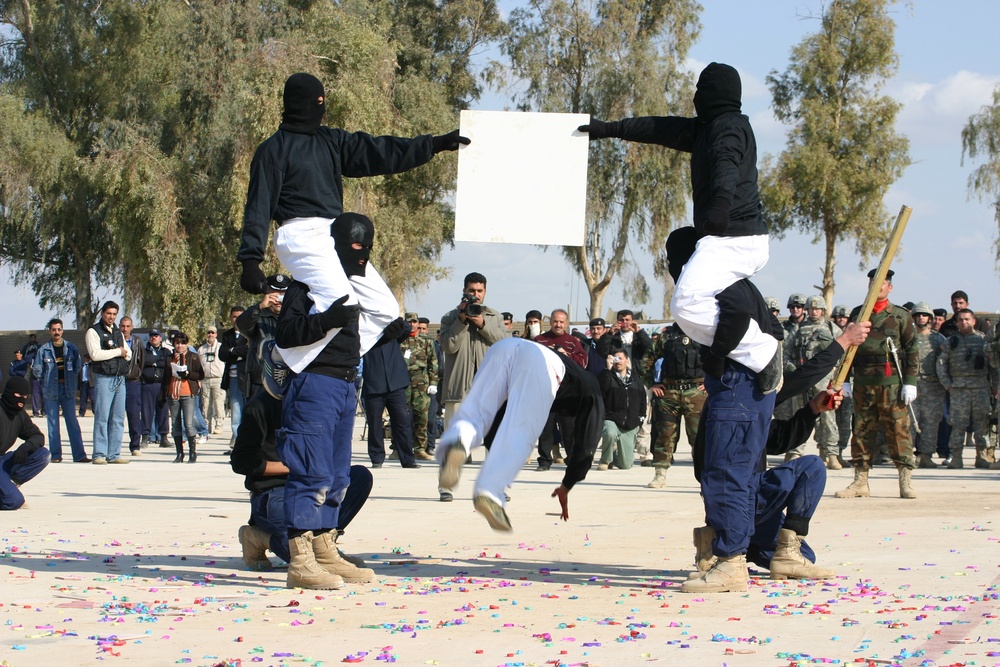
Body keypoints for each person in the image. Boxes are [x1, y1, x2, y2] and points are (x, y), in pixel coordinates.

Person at [237, 72, 467, 370]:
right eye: (319, 101)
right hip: (299, 234)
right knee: (341, 305)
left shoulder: (331, 140)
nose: (322, 106)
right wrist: (250, 261)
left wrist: (433, 145)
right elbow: (258, 206)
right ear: (309, 103)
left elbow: (379, 151)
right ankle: (283, 357)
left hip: (334, 235)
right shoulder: (273, 150)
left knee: (385, 309)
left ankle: (335, 360)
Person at [579, 62, 781, 393]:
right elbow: (659, 128)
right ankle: (732, 341)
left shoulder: (728, 128)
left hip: (735, 237)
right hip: (726, 237)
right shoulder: (706, 128)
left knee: (685, 304)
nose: (695, 97)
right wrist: (610, 129)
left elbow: (726, 166)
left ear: (715, 94)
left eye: (701, 91)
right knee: (680, 243)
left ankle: (760, 351)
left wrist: (720, 205)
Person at [272, 213, 397, 590]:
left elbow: (360, 336)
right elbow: (287, 334)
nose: (362, 254)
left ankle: (326, 549)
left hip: (345, 386)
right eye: (356, 245)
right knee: (310, 471)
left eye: (368, 248)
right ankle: (301, 559)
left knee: (338, 475)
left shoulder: (357, 290)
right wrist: (328, 319)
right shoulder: (306, 286)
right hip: (314, 386)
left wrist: (391, 332)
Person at [436, 337, 604, 532]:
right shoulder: (593, 391)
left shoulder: (577, 377)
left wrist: (492, 447)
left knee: (478, 410)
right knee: (521, 432)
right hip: (542, 363)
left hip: (503, 347)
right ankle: (489, 492)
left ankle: (459, 440)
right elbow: (586, 446)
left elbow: (497, 418)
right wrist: (568, 484)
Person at [229, 390, 373, 578]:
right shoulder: (260, 406)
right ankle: (257, 537)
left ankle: (326, 542)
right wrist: (294, 466)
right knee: (299, 554)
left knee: (359, 476)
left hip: (313, 486)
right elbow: (242, 461)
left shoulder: (317, 402)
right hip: (273, 492)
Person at [836, 269, 919, 500]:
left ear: (890, 287)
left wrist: (910, 383)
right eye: (873, 282)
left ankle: (905, 479)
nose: (877, 286)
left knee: (898, 431)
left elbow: (912, 350)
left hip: (891, 384)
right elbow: (847, 348)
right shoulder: (858, 313)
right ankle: (860, 481)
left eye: (881, 283)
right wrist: (843, 379)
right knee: (861, 431)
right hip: (863, 382)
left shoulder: (901, 315)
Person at [438, 272, 509, 499]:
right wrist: (461, 321)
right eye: (471, 291)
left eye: (479, 291)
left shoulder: (495, 317)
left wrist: (483, 324)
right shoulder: (450, 317)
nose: (475, 295)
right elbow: (448, 347)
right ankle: (446, 487)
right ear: (464, 291)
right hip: (459, 389)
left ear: (485, 292)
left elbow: (504, 344)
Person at [644, 322, 706, 488]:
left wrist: (710, 382)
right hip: (669, 392)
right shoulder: (667, 336)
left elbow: (718, 358)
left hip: (696, 392)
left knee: (699, 437)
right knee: (665, 434)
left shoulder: (704, 332)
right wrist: (652, 383)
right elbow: (647, 359)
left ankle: (705, 476)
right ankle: (660, 474)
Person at [782, 296, 842, 467]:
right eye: (811, 309)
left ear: (823, 310)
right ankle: (794, 451)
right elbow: (786, 351)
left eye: (817, 309)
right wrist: (791, 368)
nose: (814, 312)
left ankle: (830, 453)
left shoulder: (831, 328)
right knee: (799, 415)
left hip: (825, 381)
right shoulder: (798, 329)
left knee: (828, 418)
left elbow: (844, 352)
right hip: (803, 380)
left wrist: (838, 376)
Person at [938, 308, 997, 468]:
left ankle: (982, 456)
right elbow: (941, 364)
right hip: (958, 389)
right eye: (961, 320)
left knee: (982, 425)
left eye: (967, 319)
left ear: (973, 321)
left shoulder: (983, 340)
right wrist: (948, 385)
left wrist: (995, 388)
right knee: (958, 425)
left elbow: (993, 367)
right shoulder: (950, 342)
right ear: (957, 323)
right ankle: (956, 457)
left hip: (981, 388)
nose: (964, 322)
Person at [361, 318, 419, 469]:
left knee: (402, 422)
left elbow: (406, 329)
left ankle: (407, 458)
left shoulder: (392, 334)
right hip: (374, 384)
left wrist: (393, 318)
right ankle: (377, 458)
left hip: (396, 384)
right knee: (374, 423)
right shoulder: (365, 336)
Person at [534, 309, 587, 471]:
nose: (558, 325)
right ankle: (544, 460)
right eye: (555, 321)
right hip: (546, 390)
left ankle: (571, 458)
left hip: (567, 392)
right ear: (550, 322)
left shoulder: (572, 341)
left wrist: (567, 356)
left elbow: (583, 362)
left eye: (561, 322)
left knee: (569, 428)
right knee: (546, 428)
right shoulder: (539, 340)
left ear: (566, 324)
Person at [32, 318, 88, 463]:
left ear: (62, 330)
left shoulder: (71, 348)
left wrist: (69, 380)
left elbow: (77, 367)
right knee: (53, 424)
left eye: (59, 329)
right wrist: (47, 380)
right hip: (51, 392)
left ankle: (79, 455)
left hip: (68, 390)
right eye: (54, 330)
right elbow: (37, 369)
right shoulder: (43, 350)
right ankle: (56, 455)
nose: (56, 332)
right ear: (50, 331)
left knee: (72, 423)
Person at [84, 301, 131, 465]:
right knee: (102, 417)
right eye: (108, 313)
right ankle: (99, 453)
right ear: (102, 313)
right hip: (103, 378)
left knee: (118, 418)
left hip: (119, 378)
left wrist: (121, 353)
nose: (111, 317)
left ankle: (114, 454)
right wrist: (118, 352)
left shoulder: (118, 332)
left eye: (114, 314)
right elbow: (95, 355)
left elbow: (129, 354)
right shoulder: (93, 332)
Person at [237, 275, 290, 401]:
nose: (278, 298)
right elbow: (241, 326)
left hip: (288, 380)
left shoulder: (295, 317)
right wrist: (259, 307)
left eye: (283, 294)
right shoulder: (258, 315)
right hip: (260, 381)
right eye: (274, 293)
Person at [0, 377, 49, 510]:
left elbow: (37, 436)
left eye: (25, 396)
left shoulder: (19, 414)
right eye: (18, 395)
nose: (21, 400)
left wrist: (26, 447)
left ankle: (10, 484)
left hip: (2, 461)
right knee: (14, 501)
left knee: (43, 454)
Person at [909, 302, 947, 468]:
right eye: (918, 315)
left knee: (931, 422)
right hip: (912, 385)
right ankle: (907, 455)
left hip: (932, 387)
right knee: (909, 421)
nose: (921, 318)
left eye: (924, 315)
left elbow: (945, 362)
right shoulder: (908, 337)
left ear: (930, 318)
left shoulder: (938, 339)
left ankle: (926, 455)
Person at [597, 348, 646, 470]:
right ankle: (605, 460)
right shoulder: (607, 376)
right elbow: (600, 390)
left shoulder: (635, 379)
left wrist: (640, 418)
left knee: (626, 465)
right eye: (615, 359)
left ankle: (614, 458)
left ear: (627, 360)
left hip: (630, 423)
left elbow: (642, 400)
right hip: (611, 418)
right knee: (610, 433)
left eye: (620, 358)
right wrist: (607, 370)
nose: (617, 362)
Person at [400, 312, 439, 461]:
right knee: (400, 416)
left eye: (414, 322)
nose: (412, 324)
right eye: (409, 322)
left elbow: (433, 363)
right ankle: (398, 447)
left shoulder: (426, 341)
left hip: (421, 381)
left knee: (421, 417)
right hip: (402, 381)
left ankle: (419, 449)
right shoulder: (398, 339)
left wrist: (433, 382)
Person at [161, 333, 205, 463]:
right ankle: (179, 453)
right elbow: (166, 377)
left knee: (188, 423)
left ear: (186, 344)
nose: (180, 345)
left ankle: (193, 452)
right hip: (173, 393)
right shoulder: (169, 358)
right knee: (175, 424)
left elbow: (200, 374)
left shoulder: (193, 357)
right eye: (177, 343)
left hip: (188, 392)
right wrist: (162, 394)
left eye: (182, 343)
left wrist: (188, 374)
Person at [219, 307, 249, 451]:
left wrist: (233, 351)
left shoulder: (251, 332)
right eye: (234, 317)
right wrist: (237, 352)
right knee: (236, 412)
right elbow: (222, 355)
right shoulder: (227, 335)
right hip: (233, 378)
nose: (237, 319)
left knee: (249, 410)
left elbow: (249, 350)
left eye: (240, 316)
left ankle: (250, 444)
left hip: (248, 377)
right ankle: (238, 445)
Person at [120, 316, 145, 456]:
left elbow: (141, 361)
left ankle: (135, 445)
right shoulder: (116, 340)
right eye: (123, 326)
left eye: (128, 326)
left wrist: (136, 374)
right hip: (117, 381)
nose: (125, 329)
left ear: (132, 327)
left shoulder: (137, 342)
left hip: (133, 382)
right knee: (115, 416)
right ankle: (113, 445)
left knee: (134, 415)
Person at [198, 326, 226, 435]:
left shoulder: (221, 347)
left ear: (216, 334)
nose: (210, 335)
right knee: (205, 404)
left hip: (218, 379)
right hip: (205, 379)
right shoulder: (201, 349)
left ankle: (219, 425)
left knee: (218, 403)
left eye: (212, 333)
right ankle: (206, 426)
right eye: (209, 333)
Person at [21, 333, 43, 417]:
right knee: (26, 379)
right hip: (28, 365)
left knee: (41, 391)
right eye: (31, 338)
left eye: (34, 338)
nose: (32, 339)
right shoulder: (26, 346)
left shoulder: (38, 346)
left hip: (37, 366)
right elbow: (23, 355)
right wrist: (29, 361)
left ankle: (43, 411)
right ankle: (25, 389)